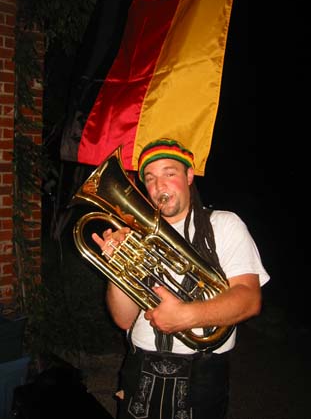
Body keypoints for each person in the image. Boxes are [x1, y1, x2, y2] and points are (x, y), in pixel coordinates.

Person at [92, 137, 270, 419]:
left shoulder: (224, 225)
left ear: (189, 176)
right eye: (150, 178)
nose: (158, 186)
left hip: (202, 374)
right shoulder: (136, 235)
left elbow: (249, 300)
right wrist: (117, 268)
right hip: (140, 367)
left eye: (169, 173)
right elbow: (124, 319)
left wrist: (185, 316)